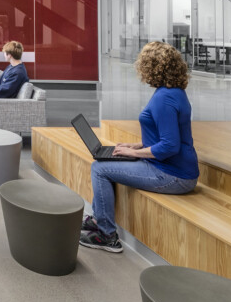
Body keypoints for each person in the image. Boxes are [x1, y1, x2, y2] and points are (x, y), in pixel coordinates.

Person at [79, 41, 199, 253]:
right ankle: (99, 220)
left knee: (99, 169)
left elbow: (169, 146)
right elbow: (166, 136)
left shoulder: (164, 98)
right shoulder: (173, 92)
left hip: (173, 175)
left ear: (151, 67)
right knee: (106, 160)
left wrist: (133, 153)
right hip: (171, 168)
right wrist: (134, 145)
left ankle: (107, 235)